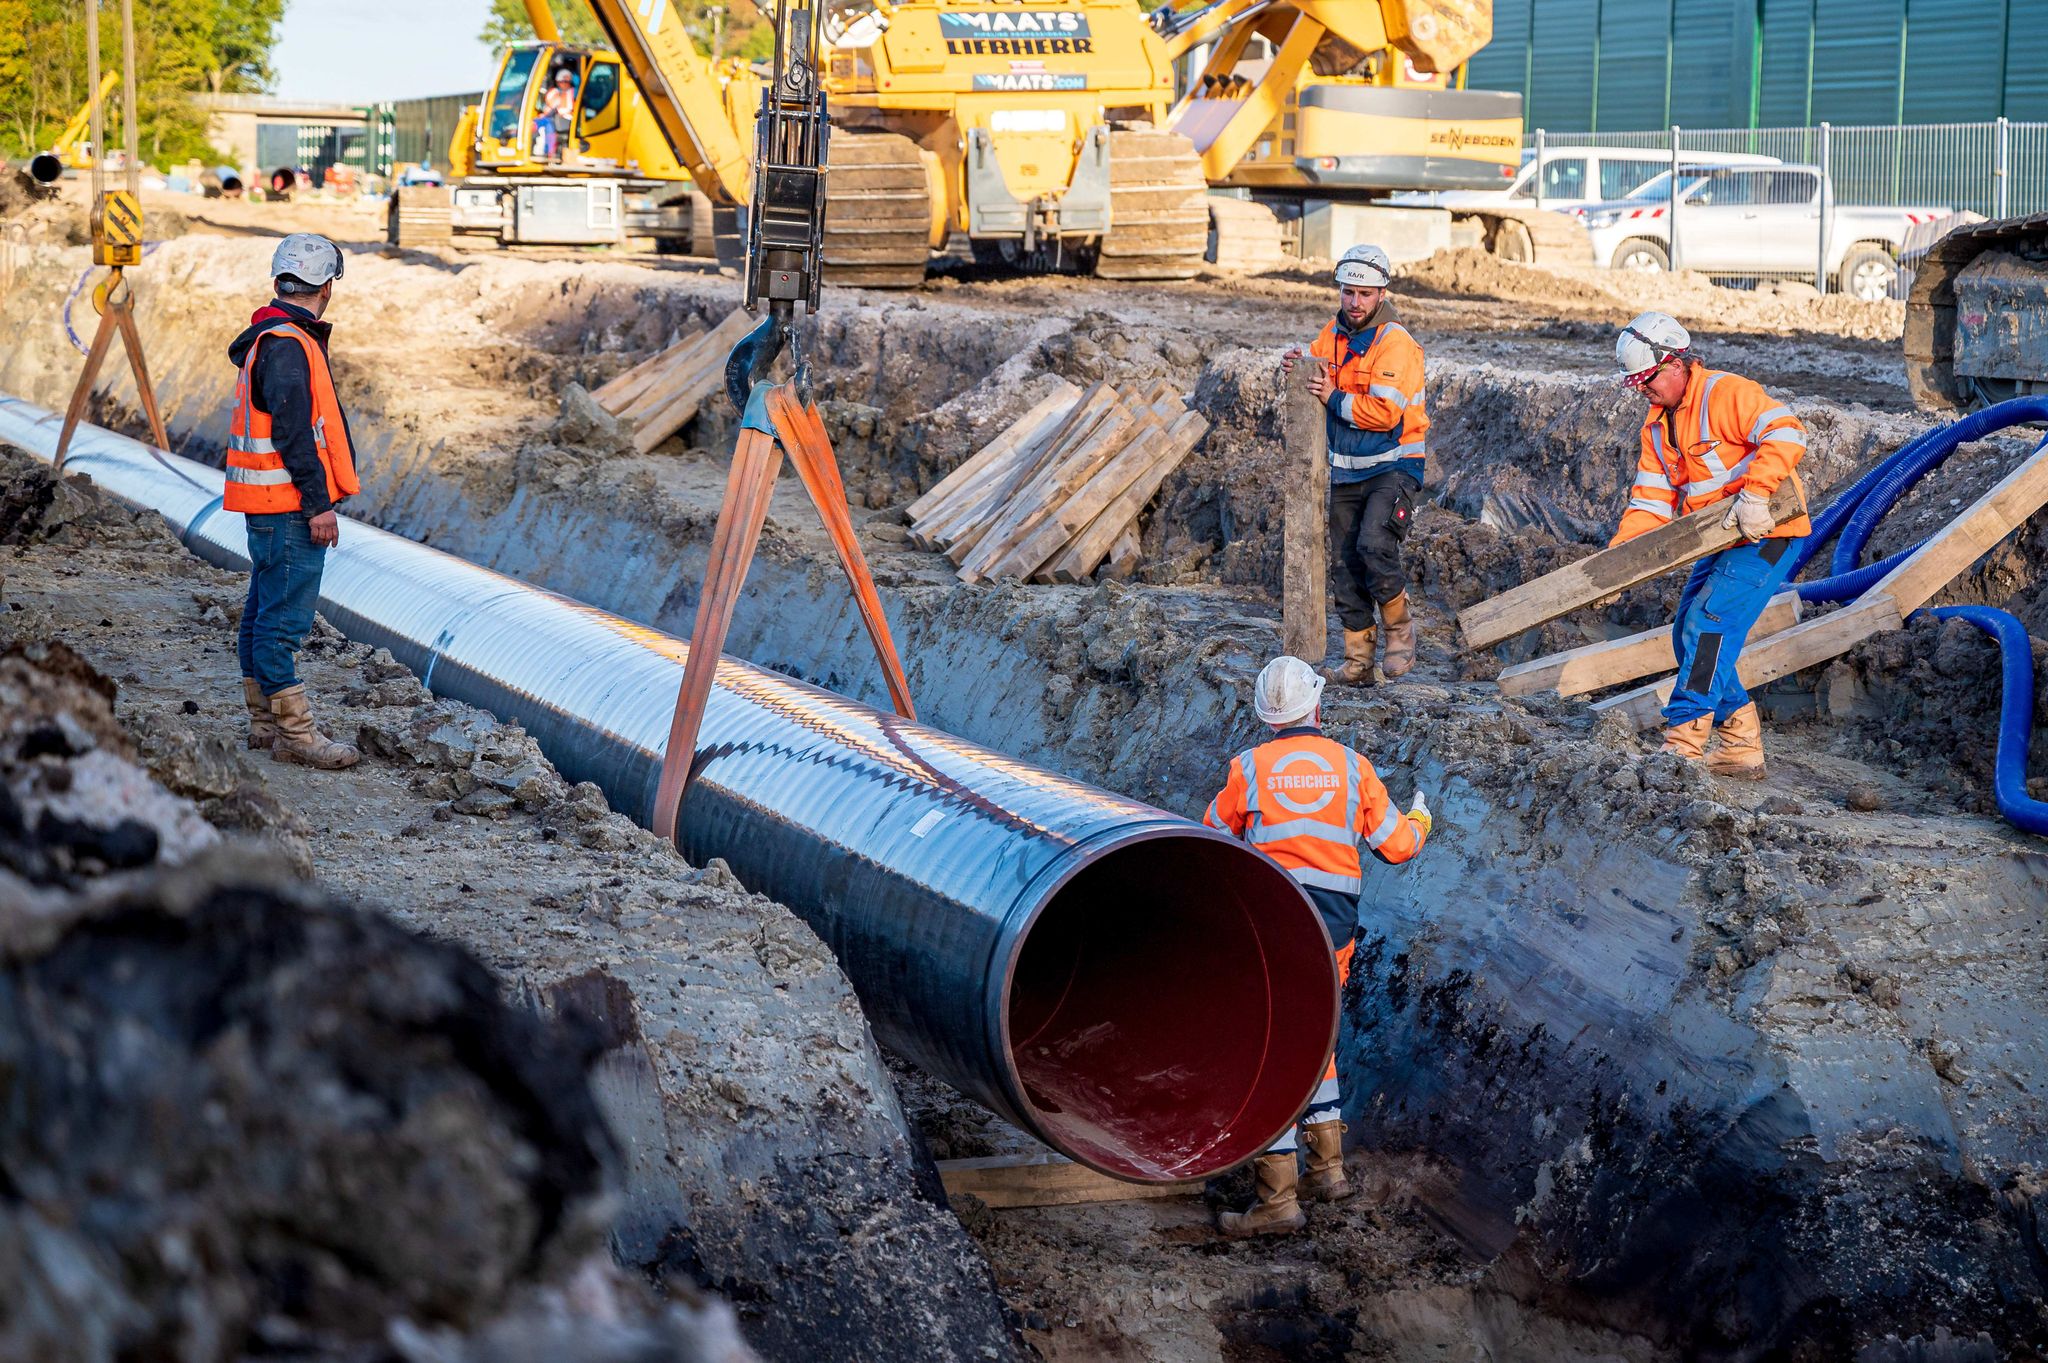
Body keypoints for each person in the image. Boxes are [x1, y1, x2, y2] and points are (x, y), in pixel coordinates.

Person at [1202, 655, 1432, 1237]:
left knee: (1272, 1047)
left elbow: (1209, 841)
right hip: (1332, 928)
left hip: (1272, 924)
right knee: (1316, 1032)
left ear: (1267, 717)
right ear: (1317, 708)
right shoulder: (1354, 768)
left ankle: (1277, 1201)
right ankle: (1328, 1170)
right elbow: (1399, 847)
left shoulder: (1247, 768)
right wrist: (1422, 819)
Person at [1612, 312, 1811, 778]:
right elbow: (1651, 502)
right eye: (1636, 383)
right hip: (1720, 538)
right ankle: (1740, 744)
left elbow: (1788, 431)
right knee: (1687, 631)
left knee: (1708, 626)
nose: (1643, 390)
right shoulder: (1658, 427)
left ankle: (1683, 744)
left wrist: (1757, 493)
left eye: (1647, 379)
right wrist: (1618, 562)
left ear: (1677, 364)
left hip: (1766, 533)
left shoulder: (1725, 393)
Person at [224, 233, 362, 770]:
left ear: (280, 281)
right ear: (326, 286)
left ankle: (263, 724)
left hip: (269, 502)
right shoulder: (288, 344)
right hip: (287, 505)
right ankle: (295, 734)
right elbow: (294, 432)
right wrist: (317, 504)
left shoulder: (271, 338)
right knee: (282, 621)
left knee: (262, 611)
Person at [1282, 243, 1429, 685]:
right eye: (1348, 292)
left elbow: (1384, 412)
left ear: (1381, 294)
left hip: (1394, 465)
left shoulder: (1394, 343)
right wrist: (1296, 362)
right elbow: (1315, 366)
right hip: (1347, 467)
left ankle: (1400, 633)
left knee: (1373, 545)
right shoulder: (1332, 334)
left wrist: (1332, 397)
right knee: (1345, 563)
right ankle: (1358, 659)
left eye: (1365, 294)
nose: (1355, 302)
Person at [539, 68, 577, 161]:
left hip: (569, 119)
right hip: (554, 118)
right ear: (558, 82)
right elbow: (549, 107)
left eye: (567, 81)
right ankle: (548, 153)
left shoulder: (574, 92)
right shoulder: (553, 92)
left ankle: (550, 153)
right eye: (562, 81)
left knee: (550, 124)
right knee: (544, 123)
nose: (565, 84)